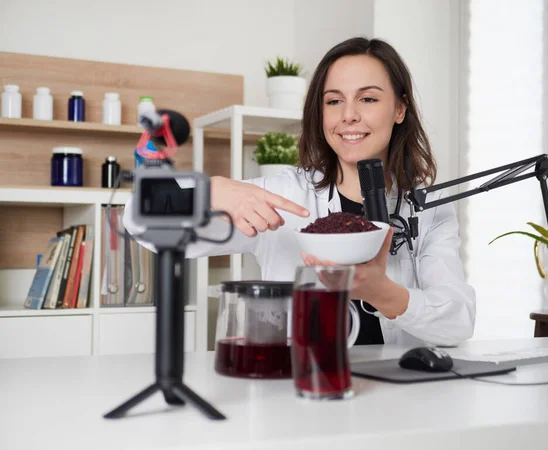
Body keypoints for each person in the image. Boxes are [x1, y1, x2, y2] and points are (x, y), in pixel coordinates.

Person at [123, 37, 476, 347]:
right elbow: (139, 221)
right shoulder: (283, 197)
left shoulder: (428, 211)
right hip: (299, 395)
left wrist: (382, 292)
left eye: (367, 99)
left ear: (399, 108)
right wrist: (210, 193)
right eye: (334, 101)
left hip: (400, 401)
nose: (349, 115)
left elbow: (458, 324)